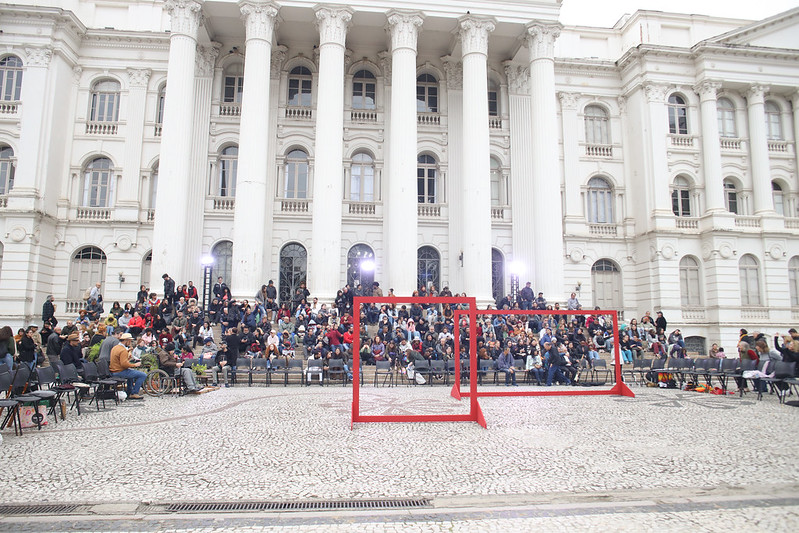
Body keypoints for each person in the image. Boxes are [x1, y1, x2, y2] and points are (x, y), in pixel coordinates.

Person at [109, 333, 146, 400]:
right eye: (130, 341)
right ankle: (134, 393)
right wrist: (135, 365)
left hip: (113, 370)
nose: (130, 343)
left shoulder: (115, 348)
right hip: (120, 371)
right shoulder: (123, 350)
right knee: (142, 375)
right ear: (127, 340)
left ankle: (129, 391)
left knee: (131, 375)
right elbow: (124, 364)